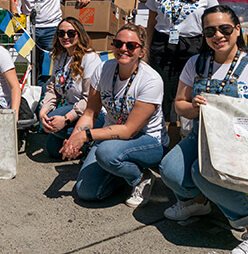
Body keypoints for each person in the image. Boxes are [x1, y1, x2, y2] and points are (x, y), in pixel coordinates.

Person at [160, 5, 248, 254]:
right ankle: (199, 203)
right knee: (170, 170)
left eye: (225, 29)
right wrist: (194, 108)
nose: (218, 35)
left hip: (244, 139)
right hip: (203, 134)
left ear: (238, 30)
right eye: (210, 31)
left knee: (204, 173)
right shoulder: (196, 64)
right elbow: (179, 104)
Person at [61, 23, 169, 208]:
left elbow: (128, 131)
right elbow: (91, 113)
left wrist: (85, 136)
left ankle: (140, 177)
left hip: (147, 140)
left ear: (141, 51)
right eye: (118, 44)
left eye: (131, 45)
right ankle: (122, 172)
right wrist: (72, 142)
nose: (123, 49)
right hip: (112, 137)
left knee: (106, 153)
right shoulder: (103, 70)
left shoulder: (151, 81)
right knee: (86, 191)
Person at [146, 0, 218, 121]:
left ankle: (186, 131)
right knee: (164, 91)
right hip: (162, 45)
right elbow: (150, 23)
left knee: (191, 91)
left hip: (194, 45)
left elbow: (214, 19)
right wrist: (146, 50)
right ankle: (165, 132)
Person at [38, 17, 103, 159]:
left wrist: (66, 119)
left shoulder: (89, 58)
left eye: (71, 33)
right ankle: (78, 144)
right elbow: (52, 90)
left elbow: (89, 100)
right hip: (72, 109)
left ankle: (90, 139)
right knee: (54, 150)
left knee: (53, 122)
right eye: (61, 33)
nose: (65, 37)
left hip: (92, 113)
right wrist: (43, 111)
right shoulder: (59, 57)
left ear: (79, 35)